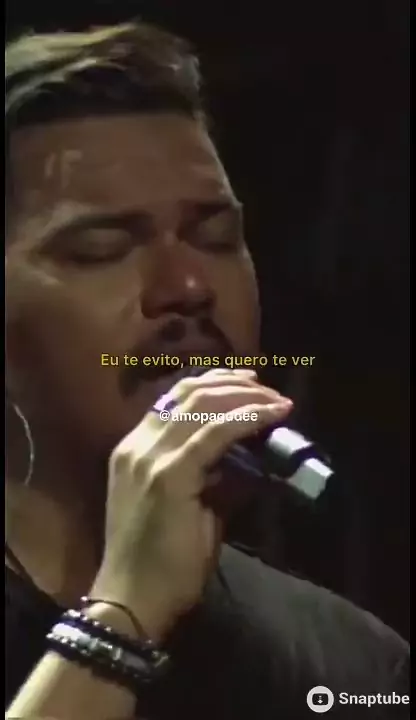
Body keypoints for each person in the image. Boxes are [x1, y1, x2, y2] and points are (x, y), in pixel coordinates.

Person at [5, 21, 409, 720]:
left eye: (217, 238)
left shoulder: (353, 664)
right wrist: (123, 615)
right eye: (102, 249)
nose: (189, 287)